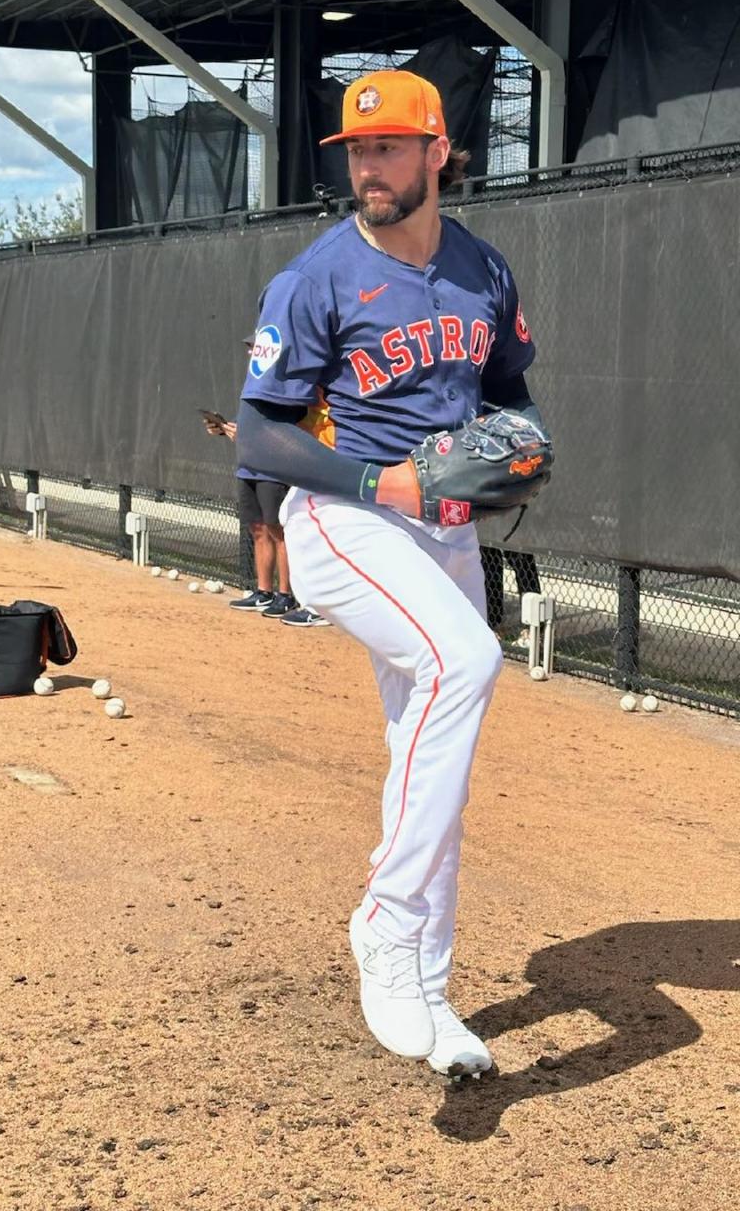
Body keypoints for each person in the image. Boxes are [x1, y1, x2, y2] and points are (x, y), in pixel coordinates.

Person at [235, 69, 544, 1077]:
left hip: (443, 533)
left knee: (432, 754)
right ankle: (385, 913)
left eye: (388, 147)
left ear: (438, 151)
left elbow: (512, 398)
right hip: (342, 516)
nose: (368, 166)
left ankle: (427, 986)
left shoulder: (483, 273)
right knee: (467, 662)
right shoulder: (316, 278)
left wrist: (514, 453)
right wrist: (379, 477)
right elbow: (257, 430)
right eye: (356, 151)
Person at [205, 342, 328, 627]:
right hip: (249, 466)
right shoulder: (255, 385)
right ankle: (264, 592)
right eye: (249, 348)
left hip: (273, 469)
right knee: (257, 529)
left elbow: (295, 427)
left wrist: (251, 437)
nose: (251, 353)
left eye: (255, 348)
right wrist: (225, 429)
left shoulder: (288, 385)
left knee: (278, 530)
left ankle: (286, 594)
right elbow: (254, 422)